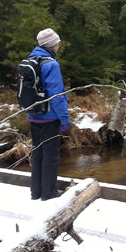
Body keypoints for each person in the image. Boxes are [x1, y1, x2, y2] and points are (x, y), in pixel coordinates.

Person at [27, 28, 71, 201]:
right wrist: (64, 118)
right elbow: (57, 94)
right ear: (52, 45)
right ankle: (49, 193)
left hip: (33, 115)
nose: (59, 45)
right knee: (50, 156)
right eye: (58, 42)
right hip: (49, 117)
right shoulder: (51, 65)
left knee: (37, 153)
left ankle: (36, 192)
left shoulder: (30, 61)